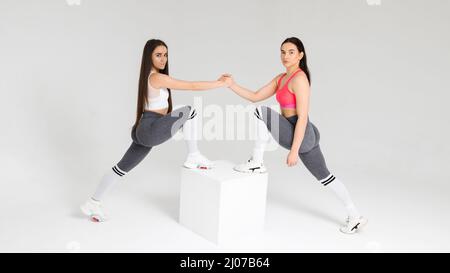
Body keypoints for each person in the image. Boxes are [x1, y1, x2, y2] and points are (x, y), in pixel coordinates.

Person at [223, 37, 367, 234]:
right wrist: (231, 84)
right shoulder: (281, 78)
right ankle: (355, 216)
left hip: (301, 132)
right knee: (325, 177)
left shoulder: (299, 79)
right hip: (303, 132)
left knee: (262, 112)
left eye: (291, 52)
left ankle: (256, 162)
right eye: (283, 52)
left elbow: (302, 117)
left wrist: (294, 151)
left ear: (300, 55)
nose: (285, 56)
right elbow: (255, 96)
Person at [81, 39, 230, 222]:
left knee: (121, 168)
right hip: (150, 127)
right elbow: (191, 86)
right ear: (149, 57)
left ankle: (93, 202)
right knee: (188, 111)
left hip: (145, 127)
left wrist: (182, 127)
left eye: (165, 55)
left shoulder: (150, 77)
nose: (163, 59)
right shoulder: (156, 77)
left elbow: (166, 113)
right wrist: (220, 83)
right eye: (158, 55)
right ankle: (194, 155)